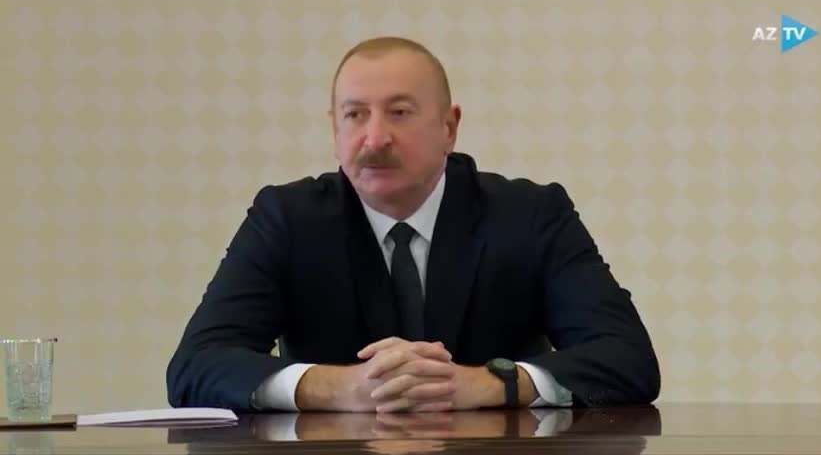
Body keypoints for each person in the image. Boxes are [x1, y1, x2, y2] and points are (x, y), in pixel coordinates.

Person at [166, 36, 660, 413]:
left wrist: (486, 384)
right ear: (334, 128)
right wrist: (339, 388)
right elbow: (195, 366)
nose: (374, 137)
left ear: (449, 126)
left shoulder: (529, 214)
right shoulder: (288, 219)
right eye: (354, 115)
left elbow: (627, 359)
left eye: (399, 112)